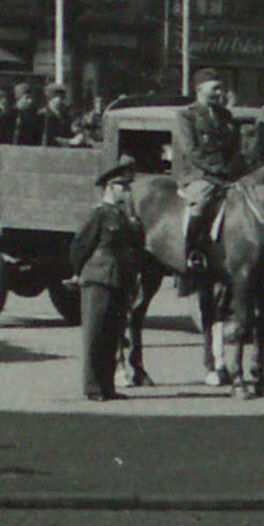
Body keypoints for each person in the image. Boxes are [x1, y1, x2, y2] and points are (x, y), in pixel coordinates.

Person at [70, 158, 145, 402]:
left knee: (113, 335)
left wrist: (134, 219)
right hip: (99, 280)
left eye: (128, 187)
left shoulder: (124, 217)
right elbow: (80, 246)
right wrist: (80, 272)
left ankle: (107, 385)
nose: (128, 191)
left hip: (120, 280)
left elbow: (137, 244)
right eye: (123, 187)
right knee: (95, 334)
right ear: (111, 188)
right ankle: (93, 387)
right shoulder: (99, 215)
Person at [177, 69, 247, 292]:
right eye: (215, 88)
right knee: (201, 203)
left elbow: (235, 147)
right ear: (200, 89)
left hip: (227, 175)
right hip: (199, 175)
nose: (219, 92)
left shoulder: (225, 116)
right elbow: (191, 151)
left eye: (221, 88)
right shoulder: (187, 116)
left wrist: (235, 168)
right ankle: (191, 254)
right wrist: (218, 169)